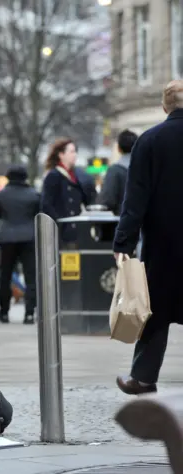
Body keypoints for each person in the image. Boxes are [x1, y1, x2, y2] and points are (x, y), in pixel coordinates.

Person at [114, 80, 183, 395]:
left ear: (164, 106)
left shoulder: (150, 141)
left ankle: (142, 377)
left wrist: (123, 243)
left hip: (164, 242)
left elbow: (135, 198)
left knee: (156, 310)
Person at [0, 166, 40, 324]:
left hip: (7, 238)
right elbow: (37, 214)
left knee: (5, 276)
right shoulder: (33, 194)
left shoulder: (2, 195)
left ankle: (4, 311)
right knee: (30, 277)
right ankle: (29, 313)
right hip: (28, 237)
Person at [40, 138, 97, 243]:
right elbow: (46, 204)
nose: (75, 155)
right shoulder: (54, 175)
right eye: (71, 151)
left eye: (75, 151)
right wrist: (60, 224)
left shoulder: (75, 176)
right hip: (61, 233)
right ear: (61, 155)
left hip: (75, 231)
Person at [98, 130, 139, 215]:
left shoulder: (115, 170)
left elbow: (108, 200)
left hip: (121, 221)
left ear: (118, 149)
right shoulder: (148, 168)